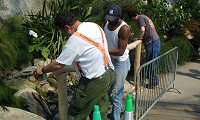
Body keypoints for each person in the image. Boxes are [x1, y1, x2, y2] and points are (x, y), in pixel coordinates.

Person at [35, 11, 114, 120]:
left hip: (94, 81)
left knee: (75, 114)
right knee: (100, 109)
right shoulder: (93, 25)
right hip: (108, 73)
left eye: (62, 31)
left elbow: (58, 64)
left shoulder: (75, 39)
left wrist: (42, 69)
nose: (64, 34)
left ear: (67, 27)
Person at [104, 4, 131, 120]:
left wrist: (103, 50)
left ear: (119, 17)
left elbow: (120, 51)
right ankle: (120, 109)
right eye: (108, 18)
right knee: (111, 91)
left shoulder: (124, 29)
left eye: (112, 19)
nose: (110, 21)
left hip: (120, 63)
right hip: (110, 60)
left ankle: (115, 117)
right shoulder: (107, 23)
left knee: (114, 94)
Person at [129, 10, 161, 88]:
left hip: (152, 42)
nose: (135, 21)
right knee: (152, 62)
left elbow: (142, 29)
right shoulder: (145, 17)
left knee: (151, 62)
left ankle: (153, 82)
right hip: (155, 41)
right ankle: (153, 80)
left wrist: (140, 38)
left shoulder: (140, 17)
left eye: (134, 19)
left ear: (136, 15)